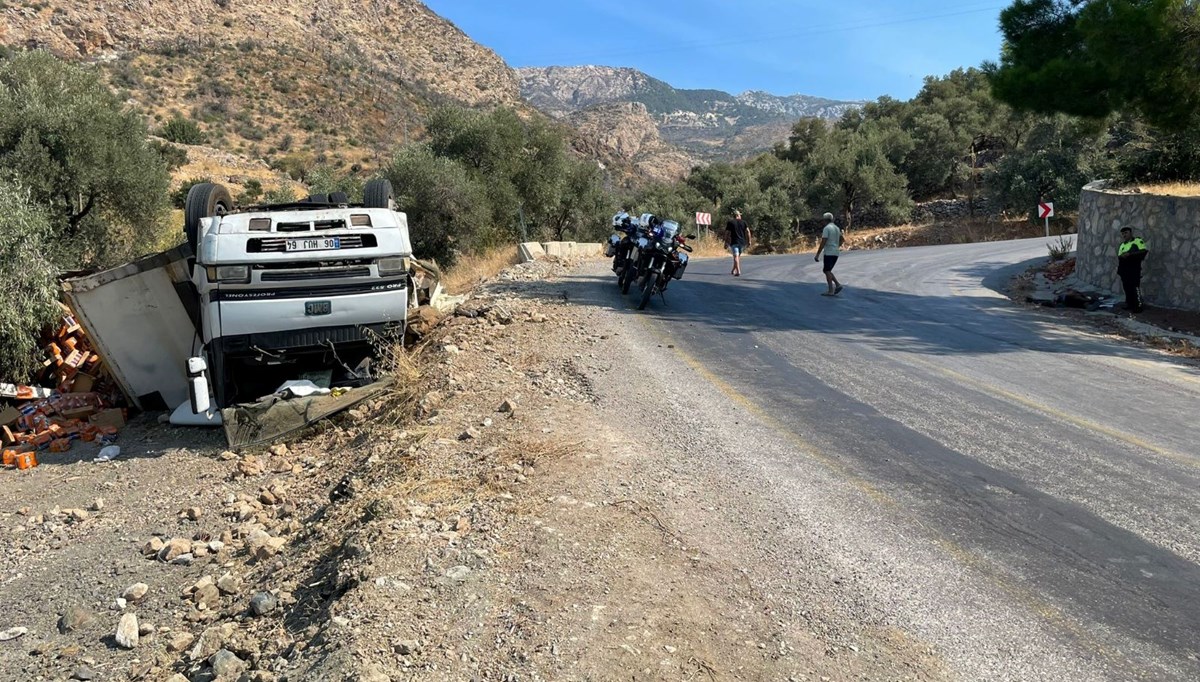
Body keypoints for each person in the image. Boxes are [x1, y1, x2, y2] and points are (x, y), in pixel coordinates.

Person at [1117, 226, 1149, 313]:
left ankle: (1138, 305)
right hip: (1124, 270)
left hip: (1134, 268)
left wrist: (1130, 254)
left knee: (1135, 287)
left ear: (1130, 233)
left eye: (1126, 233)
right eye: (1123, 234)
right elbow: (1119, 256)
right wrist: (1122, 256)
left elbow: (1143, 251)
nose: (1124, 235)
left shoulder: (1137, 241)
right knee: (1127, 288)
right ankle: (1129, 304)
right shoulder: (1122, 245)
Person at [814, 212, 844, 296]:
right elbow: (842, 239)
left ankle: (831, 290)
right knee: (827, 270)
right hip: (836, 252)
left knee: (827, 271)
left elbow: (823, 241)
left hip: (829, 252)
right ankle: (837, 285)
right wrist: (837, 246)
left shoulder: (826, 228)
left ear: (825, 220)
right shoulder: (836, 228)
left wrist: (817, 254)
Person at [725, 209, 751, 276]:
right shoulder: (744, 222)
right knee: (737, 257)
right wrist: (749, 241)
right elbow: (748, 231)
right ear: (738, 215)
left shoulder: (730, 222)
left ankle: (738, 271)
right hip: (742, 243)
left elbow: (727, 233)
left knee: (736, 257)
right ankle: (734, 270)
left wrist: (726, 242)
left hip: (734, 242)